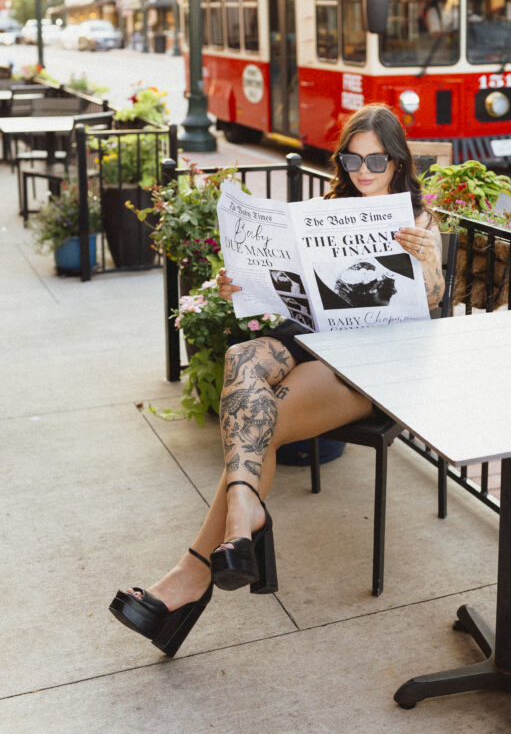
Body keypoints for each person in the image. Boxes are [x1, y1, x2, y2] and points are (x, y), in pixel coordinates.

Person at [109, 104, 445, 655]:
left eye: (376, 160)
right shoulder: (321, 210)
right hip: (311, 340)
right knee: (243, 355)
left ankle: (191, 576)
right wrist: (237, 283)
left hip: (371, 364)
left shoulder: (417, 221)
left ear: (397, 161)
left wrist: (430, 264)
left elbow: (428, 306)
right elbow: (286, 289)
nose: (364, 171)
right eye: (352, 159)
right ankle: (243, 515)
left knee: (257, 422)